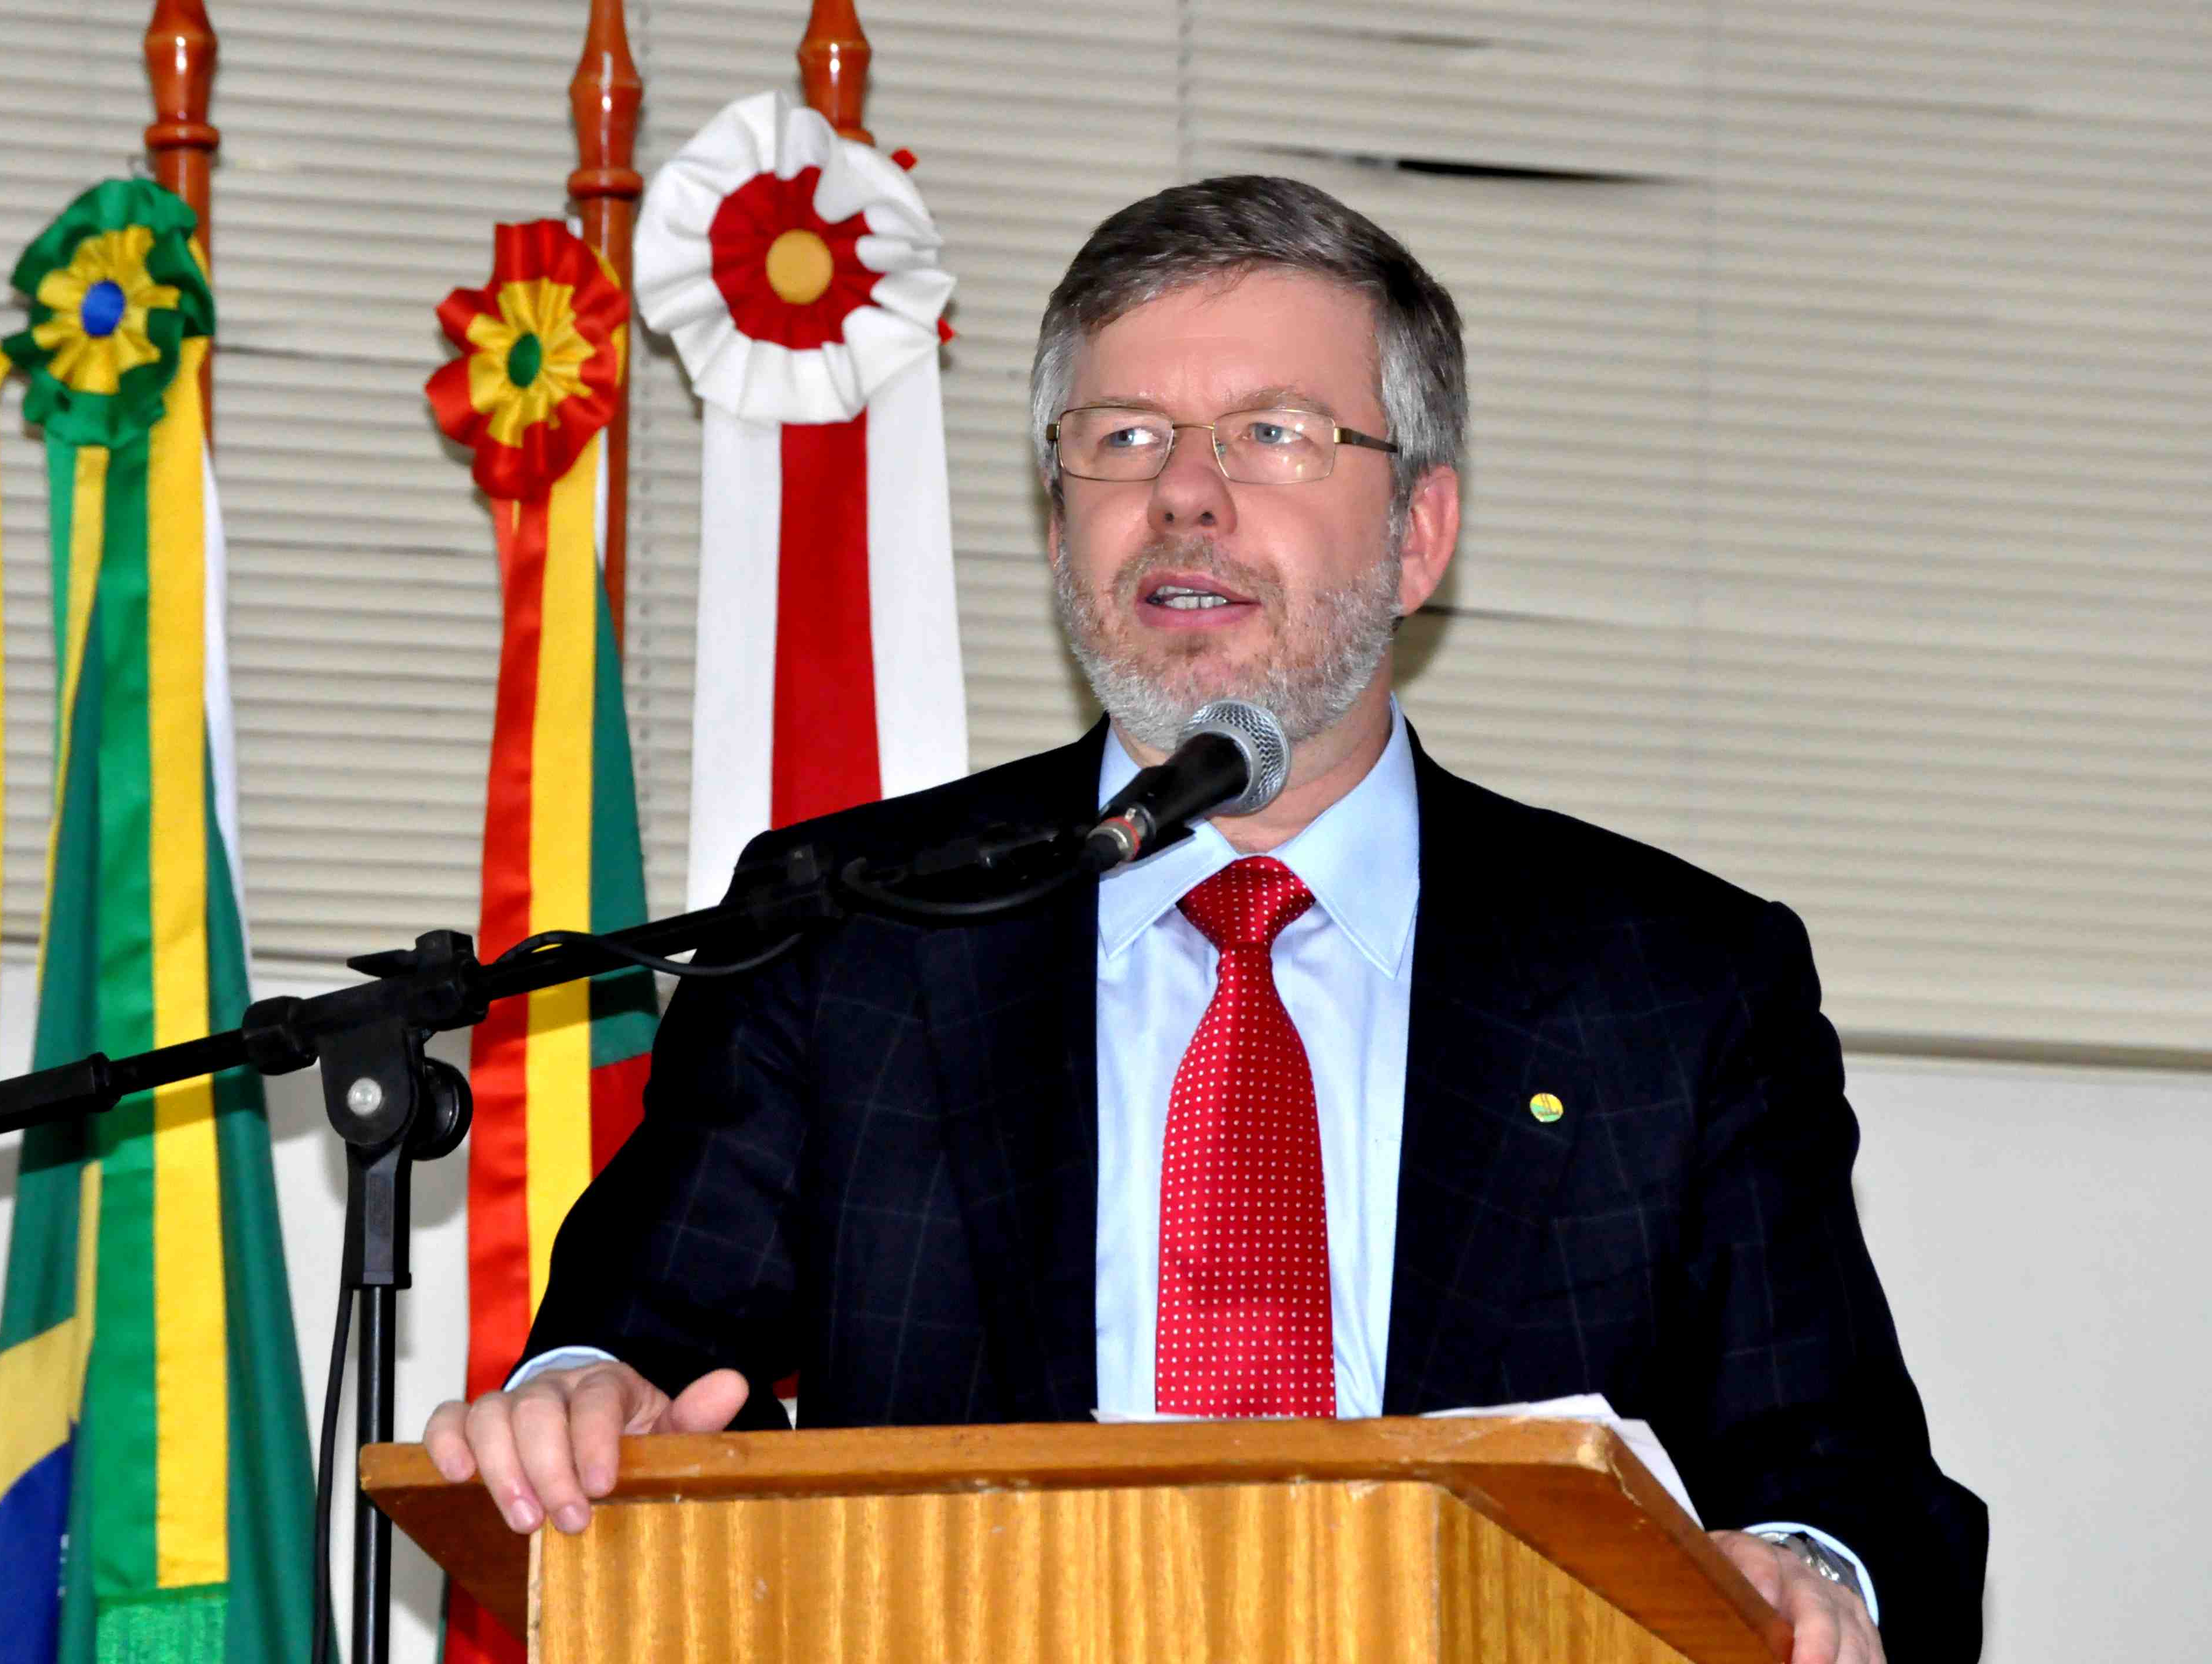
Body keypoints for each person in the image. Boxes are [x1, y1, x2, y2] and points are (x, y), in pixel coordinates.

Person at [422, 176, 1987, 1663]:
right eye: (1125, 437)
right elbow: (640, 1334)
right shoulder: (867, 929)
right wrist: (581, 1392)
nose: (1184, 492)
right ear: (1059, 529)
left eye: (1274, 434)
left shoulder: (1674, 985)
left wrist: (1812, 1573)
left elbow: (1843, 1478)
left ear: (1418, 534)